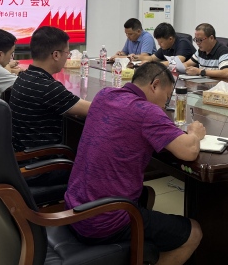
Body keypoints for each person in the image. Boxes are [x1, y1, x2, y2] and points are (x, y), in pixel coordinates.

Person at [65, 61, 205, 265]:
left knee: (148, 194)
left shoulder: (104, 94)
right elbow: (189, 151)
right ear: (155, 85)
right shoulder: (147, 111)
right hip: (102, 221)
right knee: (194, 232)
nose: (165, 105)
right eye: (167, 97)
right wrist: (194, 133)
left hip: (75, 208)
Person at [9, 26, 92, 152]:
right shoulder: (48, 87)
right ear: (56, 55)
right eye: (67, 53)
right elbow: (92, 108)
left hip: (21, 153)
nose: (67, 57)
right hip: (41, 159)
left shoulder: (23, 77)